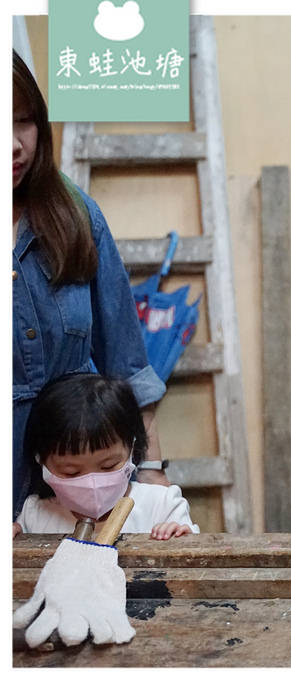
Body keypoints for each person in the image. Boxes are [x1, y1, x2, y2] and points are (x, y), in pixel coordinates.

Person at [12, 49, 171, 522]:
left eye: (22, 121)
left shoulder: (75, 215)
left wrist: (153, 471)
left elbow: (127, 363)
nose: (15, 145)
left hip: (79, 490)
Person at [13, 373, 199, 539]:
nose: (92, 483)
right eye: (71, 472)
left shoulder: (162, 504)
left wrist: (180, 535)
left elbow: (194, 560)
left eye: (108, 466)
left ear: (131, 449)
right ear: (41, 461)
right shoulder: (34, 515)